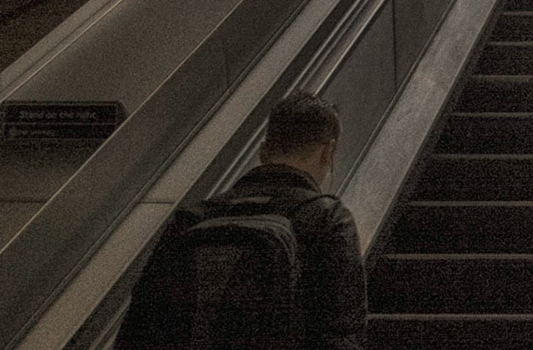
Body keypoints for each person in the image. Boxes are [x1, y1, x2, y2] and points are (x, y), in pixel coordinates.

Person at [117, 91, 367, 350]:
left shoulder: (193, 218)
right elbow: (342, 334)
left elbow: (138, 331)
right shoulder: (327, 219)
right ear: (329, 152)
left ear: (263, 150)